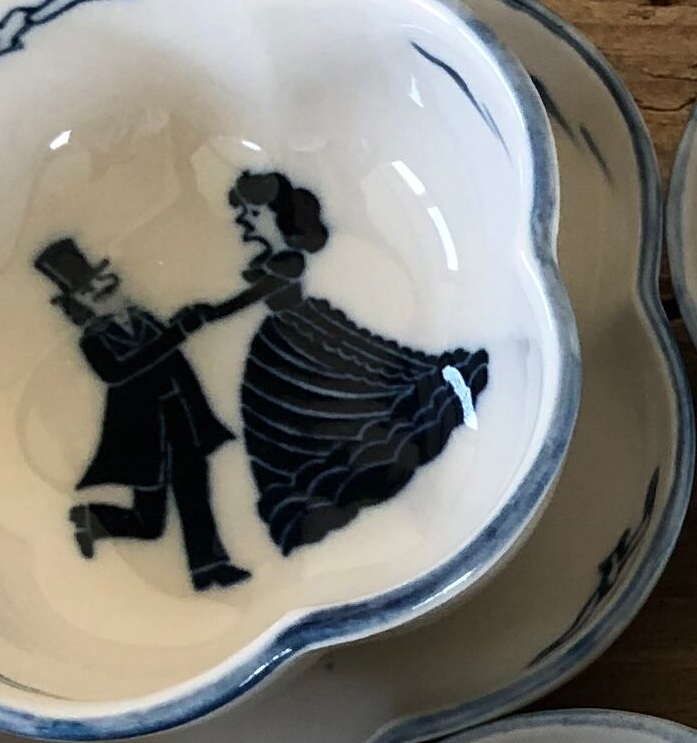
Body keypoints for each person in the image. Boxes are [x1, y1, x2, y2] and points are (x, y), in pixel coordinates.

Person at [217, 169, 492, 555]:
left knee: (360, 386)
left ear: (278, 219)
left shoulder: (283, 263)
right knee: (302, 409)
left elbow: (253, 296)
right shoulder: (268, 261)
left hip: (300, 334)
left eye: (251, 216)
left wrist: (206, 314)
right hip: (285, 342)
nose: (244, 227)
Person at [36, 236, 252, 593]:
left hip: (181, 416)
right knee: (150, 524)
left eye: (101, 282)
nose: (102, 291)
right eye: (89, 292)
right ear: (80, 306)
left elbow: (173, 359)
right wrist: (176, 334)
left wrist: (184, 330)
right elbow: (120, 372)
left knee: (195, 495)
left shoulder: (144, 319)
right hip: (144, 434)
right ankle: (94, 517)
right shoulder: (93, 342)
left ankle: (209, 568)